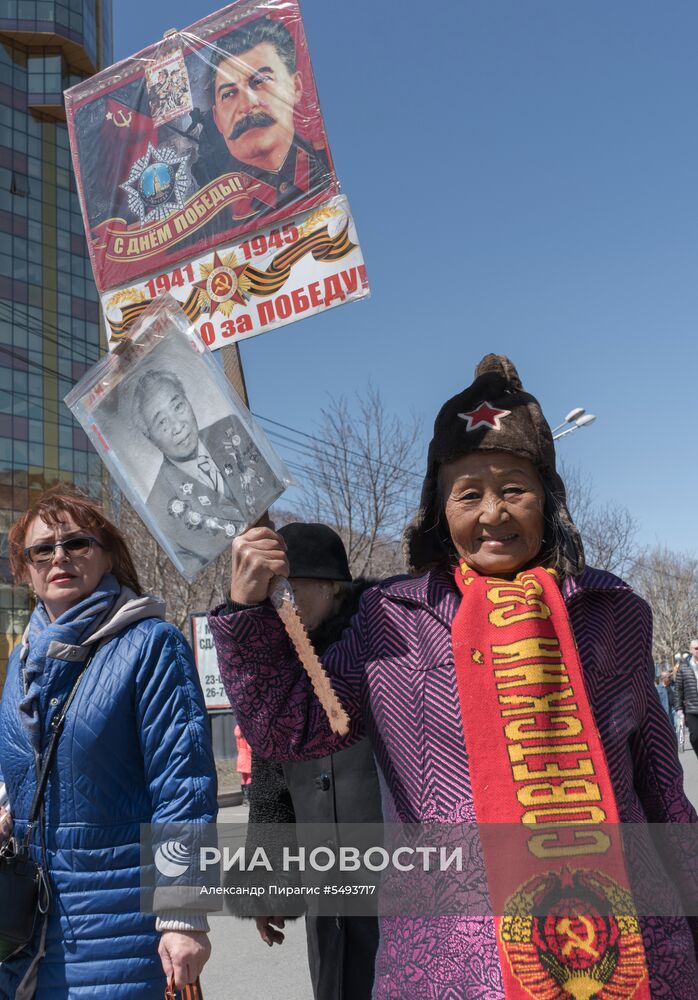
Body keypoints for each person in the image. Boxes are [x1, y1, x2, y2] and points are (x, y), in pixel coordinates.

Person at [209, 355, 698, 998]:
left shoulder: (614, 614)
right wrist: (249, 613)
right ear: (440, 512)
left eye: (514, 488)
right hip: (456, 962)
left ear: (548, 501)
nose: (493, 512)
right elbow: (289, 730)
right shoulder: (396, 618)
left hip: (629, 948)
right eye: (469, 493)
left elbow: (661, 787)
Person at [0, 486, 217, 999]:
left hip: (117, 930)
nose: (60, 558)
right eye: (42, 549)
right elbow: (17, 768)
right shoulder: (21, 659)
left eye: (77, 543)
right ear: (25, 570)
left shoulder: (150, 645)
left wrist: (184, 914)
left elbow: (183, 789)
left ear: (108, 555)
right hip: (24, 930)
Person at [247, 522, 381, 1000]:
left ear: (334, 587)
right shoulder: (280, 677)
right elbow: (270, 791)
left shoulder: (385, 655)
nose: (276, 604)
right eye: (268, 593)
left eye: (287, 589)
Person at [192, 16, 332, 226]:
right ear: (216, 119)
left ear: (296, 87)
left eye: (259, 81)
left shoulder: (323, 168)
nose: (246, 105)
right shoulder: (206, 222)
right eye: (229, 94)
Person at [132, 368, 274, 571]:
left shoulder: (232, 430)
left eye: (178, 406)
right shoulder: (159, 508)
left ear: (188, 402)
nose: (178, 426)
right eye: (162, 422)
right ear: (149, 436)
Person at [676, 639, 698, 759]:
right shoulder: (684, 668)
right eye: (696, 648)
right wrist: (679, 708)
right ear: (690, 650)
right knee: (695, 737)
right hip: (692, 708)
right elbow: (678, 689)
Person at [234, 723, 252, 804]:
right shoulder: (247, 733)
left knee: (243, 777)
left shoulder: (238, 734)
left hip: (241, 756)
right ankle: (248, 798)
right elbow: (250, 748)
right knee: (249, 777)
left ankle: (244, 798)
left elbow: (238, 747)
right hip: (247, 756)